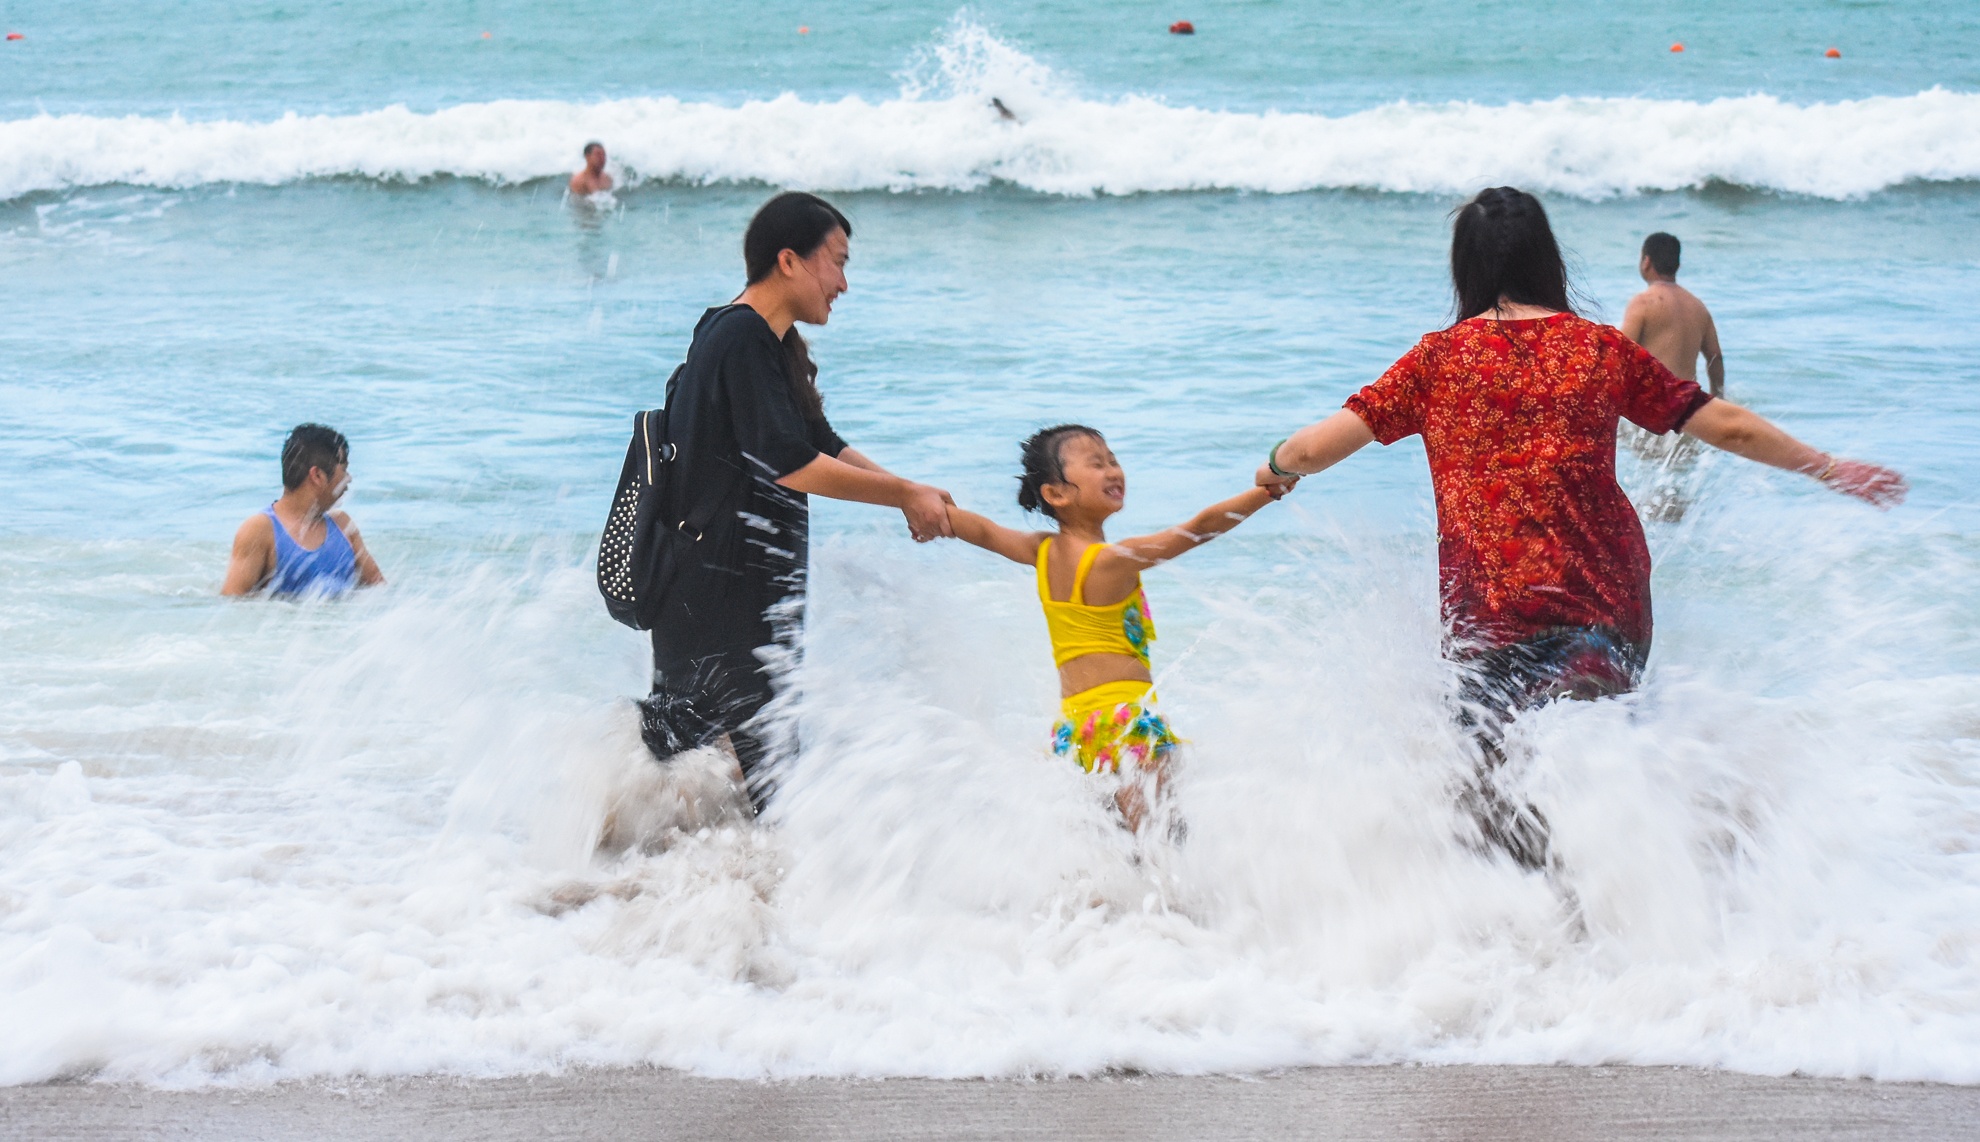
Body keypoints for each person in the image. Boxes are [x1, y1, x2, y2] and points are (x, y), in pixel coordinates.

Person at [1254, 187, 1905, 873]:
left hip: (1492, 616)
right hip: (1606, 602)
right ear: (1546, 259)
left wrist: (1274, 467)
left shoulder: (1439, 360)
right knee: (1599, 770)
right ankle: (1655, 907)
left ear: (1465, 267)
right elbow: (1729, 424)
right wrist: (1827, 467)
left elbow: (1313, 450)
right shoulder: (1596, 350)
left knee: (1487, 801)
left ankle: (1531, 948)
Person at [639, 191, 954, 816]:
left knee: (705, 759)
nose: (843, 282)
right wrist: (903, 495)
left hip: (733, 589)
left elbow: (818, 442)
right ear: (789, 260)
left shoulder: (760, 339)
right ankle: (644, 880)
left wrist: (907, 495)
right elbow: (790, 466)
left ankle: (653, 880)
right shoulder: (740, 337)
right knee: (754, 770)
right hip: (719, 593)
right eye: (835, 262)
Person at [943, 425, 1289, 834]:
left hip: (1075, 731)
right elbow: (1199, 528)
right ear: (1056, 494)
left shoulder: (1041, 551)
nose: (1112, 470)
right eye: (1096, 464)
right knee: (1165, 841)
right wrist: (1267, 493)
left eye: (1113, 460)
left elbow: (982, 531)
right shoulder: (1112, 559)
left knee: (1116, 847)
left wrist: (932, 508)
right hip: (1127, 726)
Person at [1618, 231, 1724, 519]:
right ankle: (1675, 507)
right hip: (1687, 413)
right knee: (1675, 471)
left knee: (1643, 469)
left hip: (1650, 415)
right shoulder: (1698, 306)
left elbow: (1620, 354)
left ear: (1646, 262)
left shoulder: (1643, 303)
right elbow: (1714, 356)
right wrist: (1718, 397)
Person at [221, 424, 385, 598]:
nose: (349, 478)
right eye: (343, 469)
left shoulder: (343, 526)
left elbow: (381, 590)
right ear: (317, 476)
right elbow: (233, 605)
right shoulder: (260, 530)